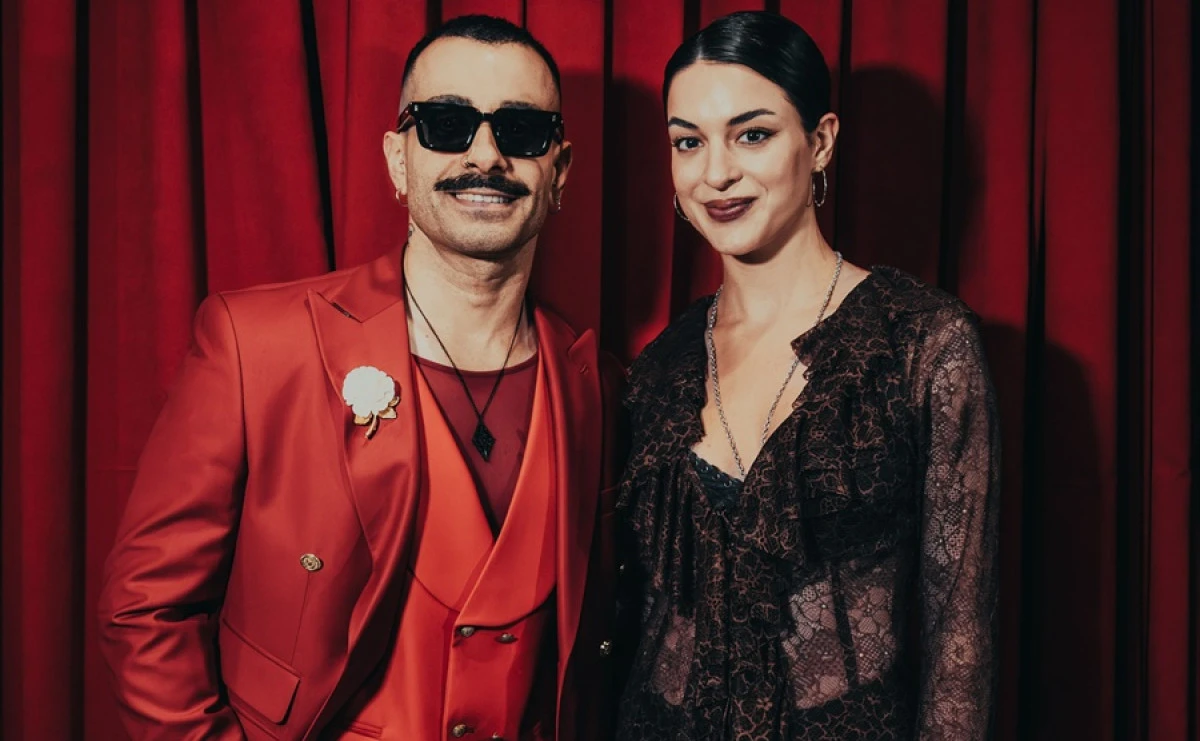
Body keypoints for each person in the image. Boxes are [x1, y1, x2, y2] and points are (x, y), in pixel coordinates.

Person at [99, 15, 625, 741]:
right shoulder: (254, 344)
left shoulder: (597, 383)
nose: (486, 154)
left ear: (559, 170)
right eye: (446, 125)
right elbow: (145, 608)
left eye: (523, 130)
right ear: (398, 160)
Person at [614, 11, 999, 740]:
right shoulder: (658, 369)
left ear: (820, 141)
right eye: (688, 141)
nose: (716, 173)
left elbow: (960, 639)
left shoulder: (924, 343)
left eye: (752, 134)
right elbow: (639, 616)